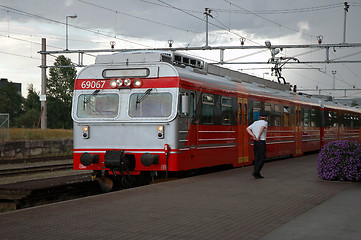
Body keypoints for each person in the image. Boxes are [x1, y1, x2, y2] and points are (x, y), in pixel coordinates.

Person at [246, 113, 268, 179]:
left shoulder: (255, 122)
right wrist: (258, 136)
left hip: (255, 142)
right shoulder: (265, 123)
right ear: (266, 117)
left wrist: (253, 135)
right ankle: (256, 171)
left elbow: (247, 129)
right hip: (261, 141)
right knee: (262, 158)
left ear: (260, 117)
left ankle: (257, 174)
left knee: (257, 158)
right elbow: (262, 128)